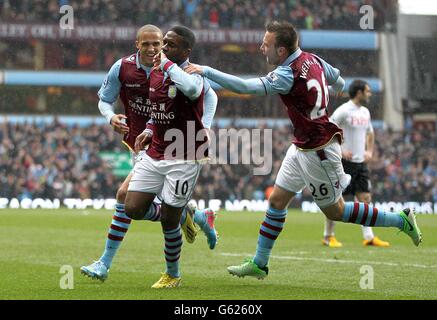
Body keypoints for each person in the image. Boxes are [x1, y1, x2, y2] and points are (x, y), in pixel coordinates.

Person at [185, 20, 422, 280]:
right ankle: (260, 263)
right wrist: (335, 91)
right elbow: (338, 78)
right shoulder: (313, 59)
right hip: (302, 145)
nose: (262, 48)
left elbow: (246, 88)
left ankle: (401, 219)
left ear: (282, 51)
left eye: (267, 45)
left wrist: (207, 71)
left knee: (337, 211)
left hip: (318, 150)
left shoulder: (286, 74)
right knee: (276, 200)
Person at [80, 25, 218, 282]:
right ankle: (193, 214)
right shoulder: (122, 68)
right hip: (141, 142)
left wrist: (206, 126)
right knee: (147, 207)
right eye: (148, 44)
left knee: (124, 195)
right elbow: (104, 100)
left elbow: (208, 95)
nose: (154, 48)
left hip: (173, 145)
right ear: (137, 44)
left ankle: (104, 263)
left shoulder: (173, 69)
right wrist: (111, 117)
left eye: (158, 43)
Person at [124, 26, 215, 289]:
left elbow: (197, 92)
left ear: (186, 51)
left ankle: (172, 274)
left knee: (169, 220)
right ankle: (194, 215)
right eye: (164, 43)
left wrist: (206, 124)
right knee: (132, 207)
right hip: (156, 151)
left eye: (170, 45)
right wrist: (149, 129)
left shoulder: (192, 72)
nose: (163, 48)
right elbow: (158, 108)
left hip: (185, 154)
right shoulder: (157, 72)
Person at [322, 80, 390, 248]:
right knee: (338, 202)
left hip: (361, 164)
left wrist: (370, 151)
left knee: (365, 199)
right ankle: (328, 236)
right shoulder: (344, 110)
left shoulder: (365, 112)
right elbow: (328, 128)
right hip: (344, 163)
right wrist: (341, 150)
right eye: (367, 91)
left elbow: (370, 133)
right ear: (358, 92)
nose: (370, 94)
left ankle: (369, 237)